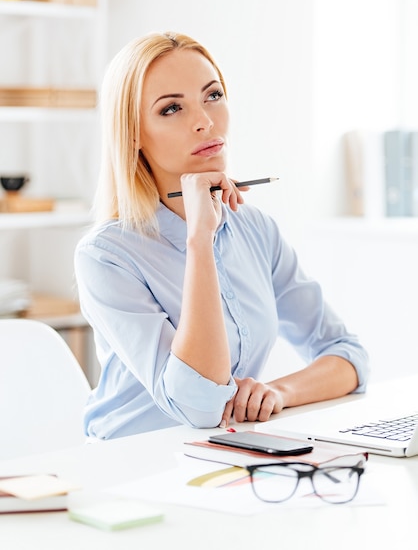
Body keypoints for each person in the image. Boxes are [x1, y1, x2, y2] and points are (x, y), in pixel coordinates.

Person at [74, 31, 369, 440]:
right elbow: (198, 404)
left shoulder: (255, 229)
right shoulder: (105, 256)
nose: (205, 121)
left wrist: (277, 392)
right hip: (131, 461)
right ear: (134, 133)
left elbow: (348, 357)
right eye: (172, 108)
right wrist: (200, 239)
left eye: (212, 95)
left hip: (222, 453)